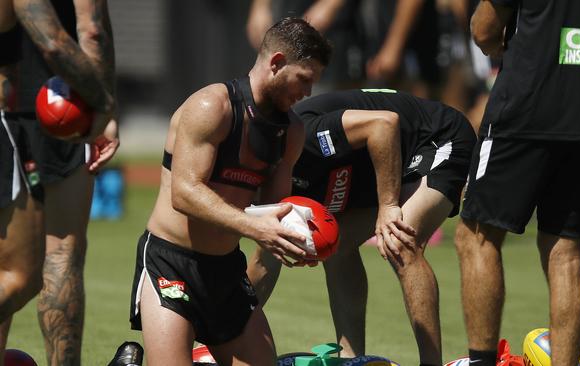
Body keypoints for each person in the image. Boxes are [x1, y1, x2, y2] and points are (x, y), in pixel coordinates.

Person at [127, 18, 331, 366]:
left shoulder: (291, 131)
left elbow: (274, 207)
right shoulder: (212, 107)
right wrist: (257, 229)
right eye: (304, 79)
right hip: (171, 263)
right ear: (277, 62)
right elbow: (186, 194)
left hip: (227, 272)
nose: (308, 93)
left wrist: (299, 235)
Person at [455, 1, 580, 366]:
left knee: (477, 235)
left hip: (525, 106)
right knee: (567, 252)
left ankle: (481, 361)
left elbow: (483, 30)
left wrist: (499, 41)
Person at [247, 88, 476, 366]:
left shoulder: (304, 138)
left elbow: (384, 124)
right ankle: (352, 359)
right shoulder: (264, 180)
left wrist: (388, 205)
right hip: (387, 162)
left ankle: (431, 363)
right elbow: (262, 264)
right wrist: (219, 344)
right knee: (336, 246)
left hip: (436, 136)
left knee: (399, 241)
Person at [0, 0, 117, 365]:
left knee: (14, 270)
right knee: (53, 258)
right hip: (53, 105)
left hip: (26, 104)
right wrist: (103, 104)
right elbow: (86, 32)